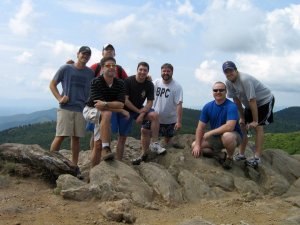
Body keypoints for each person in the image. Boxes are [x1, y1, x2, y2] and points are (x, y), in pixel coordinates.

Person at [222, 61, 275, 167]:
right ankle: (241, 154)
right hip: (250, 104)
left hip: (264, 101)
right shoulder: (228, 82)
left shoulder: (244, 80)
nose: (229, 73)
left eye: (231, 70)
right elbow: (236, 100)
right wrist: (241, 117)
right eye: (226, 72)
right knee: (243, 126)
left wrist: (255, 121)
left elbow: (252, 100)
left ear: (236, 70)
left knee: (258, 127)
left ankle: (257, 157)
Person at [112, 62, 166, 164]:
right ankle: (119, 161)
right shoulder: (128, 81)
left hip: (140, 110)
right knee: (122, 137)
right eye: (140, 69)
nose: (142, 72)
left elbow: (150, 102)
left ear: (147, 72)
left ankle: (154, 143)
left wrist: (141, 114)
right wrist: (138, 111)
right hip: (126, 110)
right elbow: (126, 100)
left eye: (145, 70)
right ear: (137, 70)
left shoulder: (149, 84)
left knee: (154, 115)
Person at [50, 46, 94, 167]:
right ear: (77, 54)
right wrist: (59, 98)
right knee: (60, 136)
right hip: (66, 107)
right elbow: (52, 84)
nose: (85, 56)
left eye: (88, 54)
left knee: (76, 138)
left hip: (82, 109)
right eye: (83, 53)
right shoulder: (66, 68)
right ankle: (50, 163)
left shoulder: (90, 73)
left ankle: (74, 166)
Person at [83, 56, 128, 167]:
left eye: (114, 66)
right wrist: (119, 110)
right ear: (102, 68)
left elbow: (121, 103)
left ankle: (92, 173)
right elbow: (99, 106)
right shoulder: (96, 82)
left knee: (97, 144)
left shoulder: (120, 83)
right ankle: (106, 147)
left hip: (104, 113)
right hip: (90, 110)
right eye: (108, 65)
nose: (111, 68)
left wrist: (112, 105)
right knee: (107, 113)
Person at [192, 82, 242, 169]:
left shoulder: (231, 106)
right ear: (213, 92)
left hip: (233, 135)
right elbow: (200, 127)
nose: (218, 92)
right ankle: (220, 154)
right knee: (195, 145)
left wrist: (210, 133)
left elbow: (230, 127)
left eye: (221, 90)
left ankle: (229, 158)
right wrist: (197, 145)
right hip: (217, 137)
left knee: (227, 136)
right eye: (215, 90)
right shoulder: (208, 107)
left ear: (226, 92)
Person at [142, 63, 183, 147]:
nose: (166, 73)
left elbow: (179, 104)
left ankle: (164, 156)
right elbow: (146, 87)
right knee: (145, 131)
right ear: (161, 72)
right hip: (153, 116)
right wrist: (147, 79)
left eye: (168, 71)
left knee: (167, 139)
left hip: (169, 120)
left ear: (172, 72)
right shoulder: (156, 82)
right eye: (164, 71)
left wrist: (178, 121)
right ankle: (144, 154)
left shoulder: (177, 86)